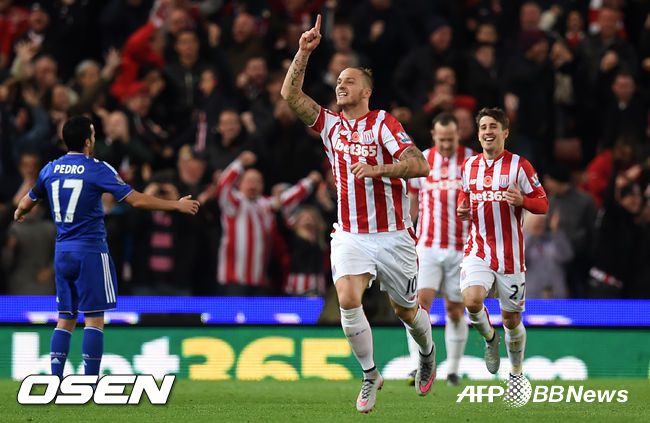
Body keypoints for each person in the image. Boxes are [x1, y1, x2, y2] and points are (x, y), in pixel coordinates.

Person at [280, 15, 435, 413]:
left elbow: (420, 165)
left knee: (405, 310)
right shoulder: (330, 126)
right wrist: (303, 51)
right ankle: (370, 375)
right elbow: (290, 96)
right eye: (338, 81)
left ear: (366, 91)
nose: (340, 85)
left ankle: (427, 352)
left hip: (393, 235)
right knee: (348, 300)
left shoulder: (383, 123)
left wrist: (379, 169)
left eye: (349, 81)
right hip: (350, 234)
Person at [13, 116, 199, 381]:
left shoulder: (50, 169)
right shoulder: (97, 169)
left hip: (63, 252)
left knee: (65, 318)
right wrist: (175, 205)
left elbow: (27, 201)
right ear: (88, 141)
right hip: (90, 251)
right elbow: (135, 200)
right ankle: (90, 382)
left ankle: (55, 380)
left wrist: (20, 212)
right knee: (93, 318)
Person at [456, 107, 548, 397]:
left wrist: (523, 201)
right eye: (483, 127)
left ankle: (516, 374)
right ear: (478, 133)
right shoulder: (469, 166)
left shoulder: (520, 166)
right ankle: (489, 338)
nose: (488, 131)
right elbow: (464, 195)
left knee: (511, 320)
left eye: (493, 126)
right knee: (471, 300)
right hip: (478, 249)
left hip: (510, 256)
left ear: (505, 132)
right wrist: (462, 208)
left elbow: (542, 204)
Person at [405, 112, 475, 387]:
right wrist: (406, 233)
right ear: (433, 135)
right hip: (428, 247)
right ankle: (417, 365)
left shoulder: (472, 162)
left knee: (455, 310)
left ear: (459, 135)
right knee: (417, 305)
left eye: (451, 139)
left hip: (461, 248)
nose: (446, 145)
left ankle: (453, 370)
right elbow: (412, 200)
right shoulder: (422, 160)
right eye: (441, 139)